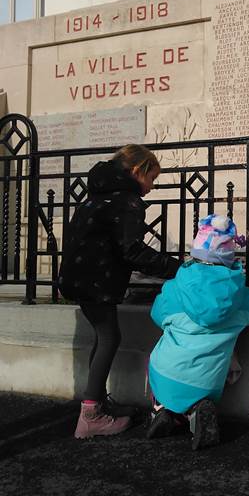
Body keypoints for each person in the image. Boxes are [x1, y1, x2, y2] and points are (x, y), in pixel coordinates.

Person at [58, 144, 179, 439]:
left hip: (77, 277)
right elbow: (132, 250)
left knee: (103, 337)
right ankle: (91, 416)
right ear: (138, 171)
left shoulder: (96, 197)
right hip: (97, 281)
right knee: (110, 337)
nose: (151, 187)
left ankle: (96, 401)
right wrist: (177, 268)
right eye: (152, 179)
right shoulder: (127, 201)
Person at [147, 213, 249, 450]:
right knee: (200, 385)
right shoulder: (239, 297)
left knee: (161, 363)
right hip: (207, 381)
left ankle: (161, 410)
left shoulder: (175, 288)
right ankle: (196, 410)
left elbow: (156, 314)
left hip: (164, 371)